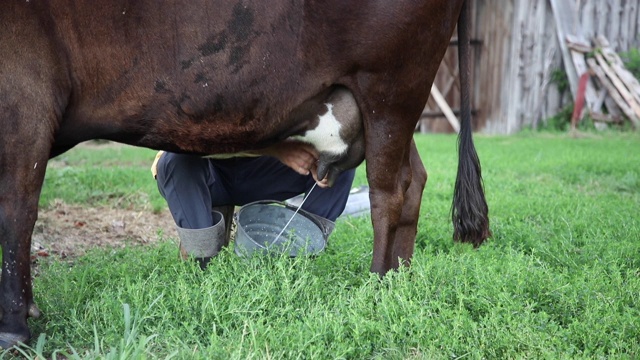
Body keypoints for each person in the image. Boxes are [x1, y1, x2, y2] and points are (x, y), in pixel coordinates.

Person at [152, 141, 356, 267]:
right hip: (204, 166)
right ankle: (202, 264)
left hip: (262, 169)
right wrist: (281, 149)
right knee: (176, 161)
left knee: (339, 161)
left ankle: (299, 256)